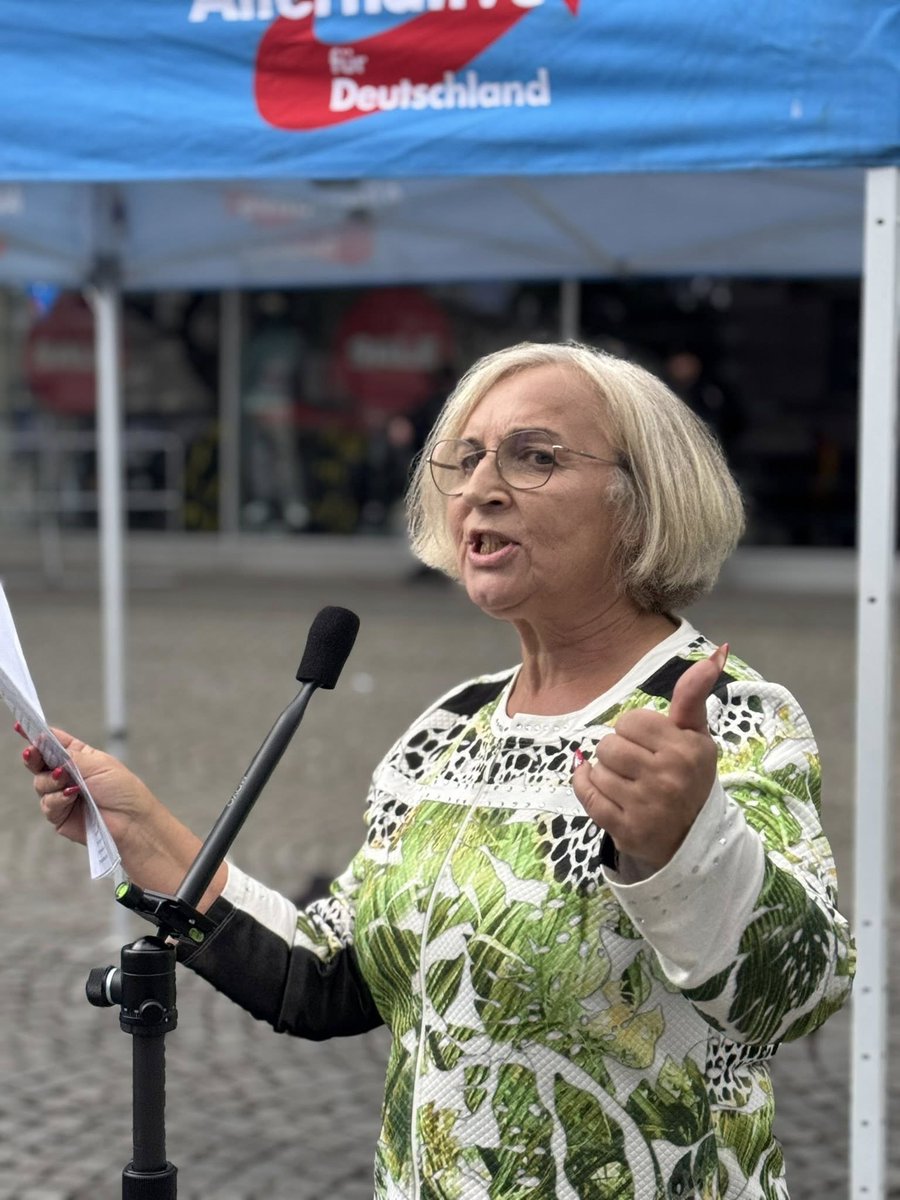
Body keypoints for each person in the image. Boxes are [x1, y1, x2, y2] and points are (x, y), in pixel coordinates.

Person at [21, 341, 854, 1200]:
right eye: (466, 458)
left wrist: (689, 844)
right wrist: (138, 829)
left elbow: (799, 992)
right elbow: (329, 977)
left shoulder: (725, 713)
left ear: (641, 504)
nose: (483, 486)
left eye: (535, 457)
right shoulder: (448, 729)